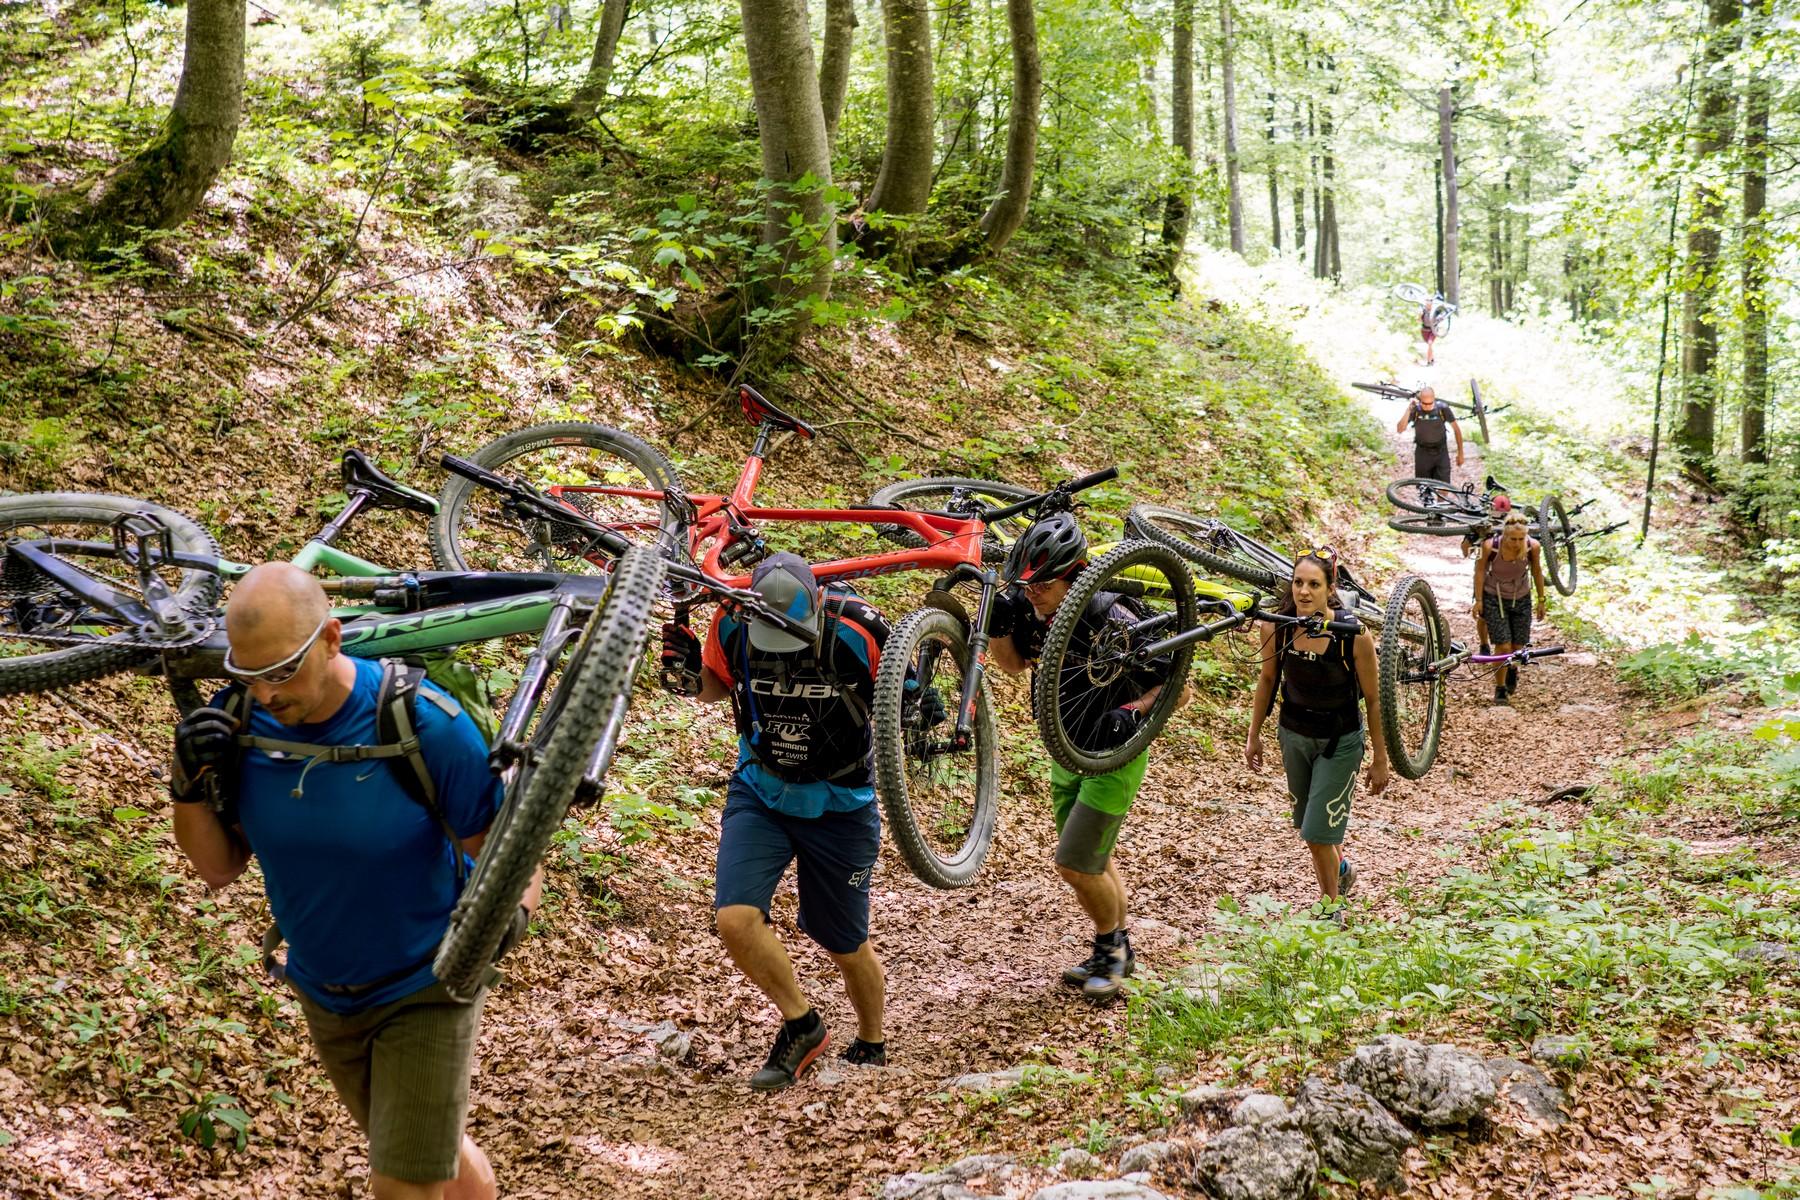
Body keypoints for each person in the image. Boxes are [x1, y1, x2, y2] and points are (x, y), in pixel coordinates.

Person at [170, 563, 534, 1200]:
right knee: (432, 1152)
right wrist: (187, 782)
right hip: (324, 990)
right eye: (249, 675)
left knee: (402, 1183)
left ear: (332, 637)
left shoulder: (422, 723)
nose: (267, 693)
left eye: (283, 670)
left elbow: (508, 851)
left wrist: (509, 919)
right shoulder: (238, 725)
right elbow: (218, 867)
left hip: (428, 982)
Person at [663, 552, 889, 1091]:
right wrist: (688, 675)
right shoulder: (732, 622)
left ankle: (872, 1040)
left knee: (843, 941)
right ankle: (802, 1025)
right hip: (761, 792)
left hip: (841, 804)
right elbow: (716, 687)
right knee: (734, 919)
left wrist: (922, 705)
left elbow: (905, 692)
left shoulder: (861, 629)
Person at [987, 513, 1181, 1002]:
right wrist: (998, 627)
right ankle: (1116, 949)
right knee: (1093, 859)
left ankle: (1111, 949)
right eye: (1027, 584)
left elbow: (1179, 689)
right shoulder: (1033, 610)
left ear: (1074, 577)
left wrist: (1134, 711)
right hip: (1066, 750)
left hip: (1114, 756)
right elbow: (1013, 665)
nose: (1033, 593)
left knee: (1076, 864)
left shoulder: (1114, 616)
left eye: (1044, 584)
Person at [1242, 548, 1391, 922]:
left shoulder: (1353, 635)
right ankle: (1342, 871)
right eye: (1298, 583)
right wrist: (1253, 734)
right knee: (1310, 824)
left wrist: (1380, 757)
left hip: (1340, 740)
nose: (1304, 592)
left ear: (1330, 589)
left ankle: (1330, 910)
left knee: (1317, 833)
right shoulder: (1277, 626)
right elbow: (1267, 680)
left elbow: (1374, 699)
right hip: (1294, 735)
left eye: (1314, 584)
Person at [1472, 511, 1549, 705]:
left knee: (1517, 647)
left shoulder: (1533, 547)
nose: (1516, 543)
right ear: (1504, 535)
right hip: (1494, 597)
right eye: (1512, 539)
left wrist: (1541, 599)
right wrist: (1479, 600)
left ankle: (1512, 669)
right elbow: (1479, 571)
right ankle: (1500, 688)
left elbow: (1537, 571)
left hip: (1521, 597)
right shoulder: (1490, 546)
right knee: (1503, 646)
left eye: (1520, 539)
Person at [1395, 385, 1464, 484]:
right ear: (1420, 401)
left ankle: (1442, 495)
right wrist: (1408, 410)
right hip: (1422, 453)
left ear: (1434, 399)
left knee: (1444, 486)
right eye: (1424, 403)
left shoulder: (1443, 409)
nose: (1427, 406)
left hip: (1441, 452)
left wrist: (1460, 453)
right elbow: (1400, 429)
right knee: (1423, 487)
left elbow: (1457, 430)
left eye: (1430, 403)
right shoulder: (1416, 410)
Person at [1420, 296, 1447, 365]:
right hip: (1424, 330)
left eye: (1430, 301)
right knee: (1430, 345)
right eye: (1427, 301)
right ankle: (1432, 359)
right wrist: (1420, 315)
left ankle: (1429, 362)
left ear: (1432, 302)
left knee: (1430, 344)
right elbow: (1419, 320)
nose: (1428, 302)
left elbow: (1443, 315)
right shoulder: (1423, 310)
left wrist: (1440, 317)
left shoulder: (1436, 310)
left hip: (1433, 330)